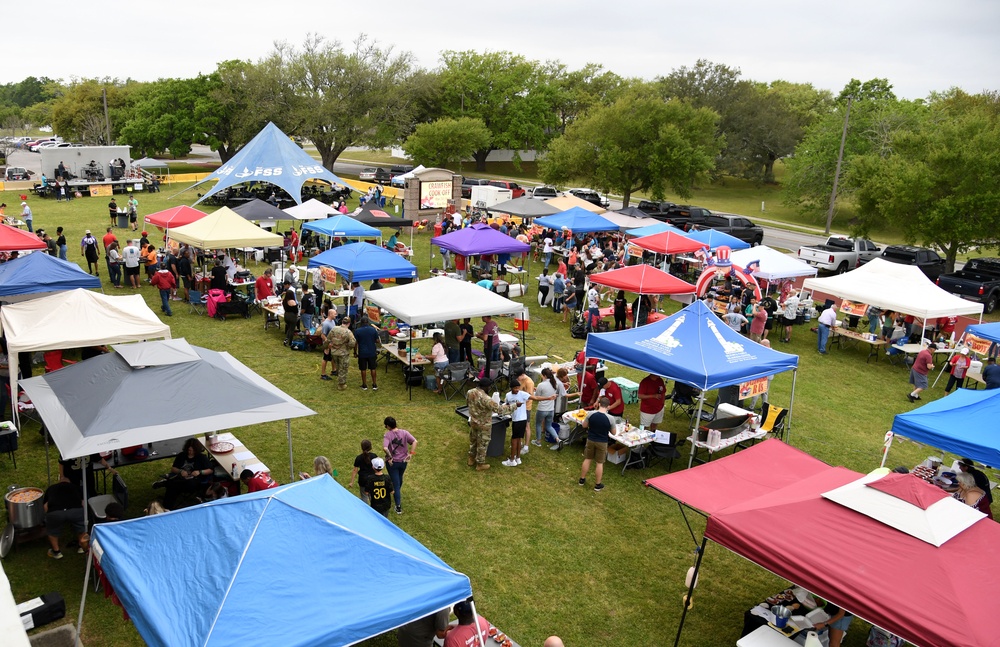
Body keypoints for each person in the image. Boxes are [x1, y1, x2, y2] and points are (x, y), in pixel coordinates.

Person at [465, 378, 515, 471]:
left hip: (473, 421)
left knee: (473, 440)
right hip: (484, 425)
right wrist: (514, 406)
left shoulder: (470, 392)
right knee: (482, 444)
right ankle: (480, 464)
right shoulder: (486, 399)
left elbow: (468, 403)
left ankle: (471, 458)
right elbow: (500, 410)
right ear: (486, 387)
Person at [43, 475, 87, 559]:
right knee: (81, 528)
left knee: (52, 532)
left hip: (56, 512)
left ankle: (57, 552)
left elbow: (45, 506)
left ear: (59, 481)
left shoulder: (51, 488)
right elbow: (83, 503)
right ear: (69, 482)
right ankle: (81, 547)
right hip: (75, 511)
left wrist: (48, 516)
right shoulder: (76, 487)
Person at [162, 438, 212, 508]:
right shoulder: (181, 456)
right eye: (189, 450)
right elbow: (173, 469)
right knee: (172, 486)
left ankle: (166, 485)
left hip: (193, 481)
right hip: (181, 479)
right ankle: (166, 507)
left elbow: (210, 470)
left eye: (192, 451)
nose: (190, 452)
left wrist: (200, 472)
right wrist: (180, 471)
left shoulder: (201, 458)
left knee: (173, 486)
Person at [383, 417, 416, 514]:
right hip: (403, 462)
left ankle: (398, 507)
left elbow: (385, 448)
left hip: (393, 463)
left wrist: (389, 457)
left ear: (388, 426)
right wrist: (411, 454)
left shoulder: (388, 435)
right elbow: (415, 441)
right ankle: (395, 491)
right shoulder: (404, 432)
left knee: (396, 484)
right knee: (399, 479)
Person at [579, 397, 613, 491]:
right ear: (608, 406)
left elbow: (584, 425)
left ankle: (582, 479)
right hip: (602, 442)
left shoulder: (591, 414)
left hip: (590, 439)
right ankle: (597, 485)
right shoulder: (610, 418)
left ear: (598, 404)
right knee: (599, 463)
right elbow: (613, 432)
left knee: (587, 459)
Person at [532, 368, 566, 448]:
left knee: (538, 424)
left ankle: (538, 441)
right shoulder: (555, 383)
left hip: (542, 409)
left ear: (544, 375)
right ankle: (558, 439)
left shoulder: (541, 385)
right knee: (549, 426)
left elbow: (537, 396)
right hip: (551, 409)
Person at [501, 379, 532, 467]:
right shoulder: (508, 395)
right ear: (511, 388)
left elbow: (535, 398)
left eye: (518, 387)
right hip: (516, 419)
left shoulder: (522, 394)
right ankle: (518, 458)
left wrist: (548, 398)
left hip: (520, 420)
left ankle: (511, 460)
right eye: (515, 388)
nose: (517, 389)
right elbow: (507, 403)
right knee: (518, 439)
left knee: (514, 440)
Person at [325, 317, 357, 390]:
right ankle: (341, 385)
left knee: (338, 366)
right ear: (349, 324)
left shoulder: (334, 329)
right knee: (343, 368)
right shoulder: (348, 332)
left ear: (342, 322)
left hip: (334, 352)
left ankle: (339, 378)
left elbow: (328, 339)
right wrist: (348, 347)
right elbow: (353, 343)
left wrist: (326, 347)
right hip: (343, 353)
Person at [352, 316, 380, 390]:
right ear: (368, 322)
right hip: (371, 352)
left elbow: (355, 343)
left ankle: (364, 385)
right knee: (373, 368)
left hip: (362, 353)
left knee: (363, 369)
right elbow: (377, 341)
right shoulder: (373, 330)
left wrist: (355, 352)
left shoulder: (357, 331)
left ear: (361, 323)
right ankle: (374, 384)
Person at [281, 281, 299, 348]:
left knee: (289, 328)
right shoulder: (292, 301)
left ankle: (286, 339)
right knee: (292, 329)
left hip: (286, 315)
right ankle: (290, 342)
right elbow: (296, 310)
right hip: (292, 316)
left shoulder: (284, 301)